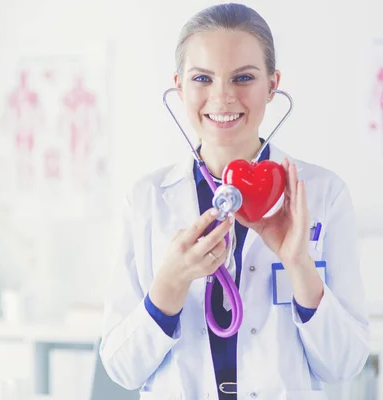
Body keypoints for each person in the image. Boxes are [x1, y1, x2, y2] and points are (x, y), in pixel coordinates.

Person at [99, 3, 369, 399]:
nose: (222, 97)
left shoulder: (324, 194)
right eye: (202, 78)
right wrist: (169, 285)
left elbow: (344, 364)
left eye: (243, 77)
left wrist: (298, 265)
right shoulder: (145, 200)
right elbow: (122, 369)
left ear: (273, 85)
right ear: (179, 86)